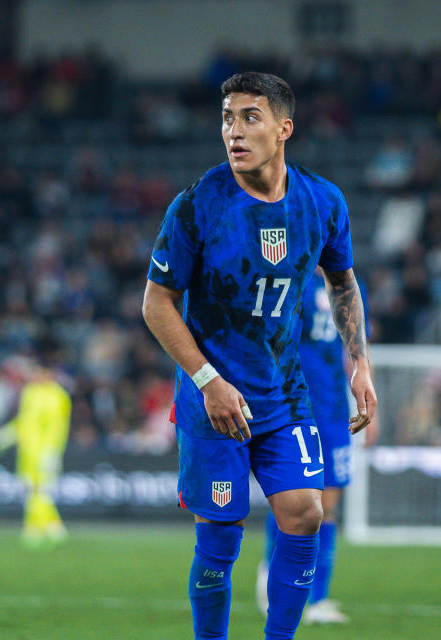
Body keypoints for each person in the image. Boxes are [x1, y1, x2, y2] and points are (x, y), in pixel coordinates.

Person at [142, 72, 376, 640]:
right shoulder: (198, 205)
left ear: (283, 128)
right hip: (212, 400)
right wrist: (206, 379)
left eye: (250, 117)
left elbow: (343, 282)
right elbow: (156, 304)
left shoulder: (321, 202)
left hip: (284, 394)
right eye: (227, 118)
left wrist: (359, 362)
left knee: (306, 513)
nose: (234, 131)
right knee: (220, 542)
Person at [256, 268, 368, 625]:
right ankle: (272, 572)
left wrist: (367, 400)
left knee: (329, 503)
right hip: (297, 407)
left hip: (335, 409)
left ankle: (318, 600)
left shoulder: (347, 285)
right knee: (298, 500)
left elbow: (358, 347)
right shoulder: (293, 282)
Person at [0, 356, 71, 548]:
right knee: (30, 490)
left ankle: (37, 527)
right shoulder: (30, 393)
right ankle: (51, 527)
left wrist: (52, 452)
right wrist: (7, 434)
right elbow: (24, 422)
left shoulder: (58, 396)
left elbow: (57, 428)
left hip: (44, 452)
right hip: (27, 452)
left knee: (40, 491)